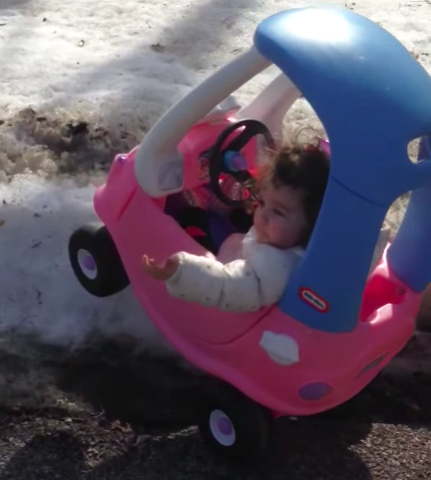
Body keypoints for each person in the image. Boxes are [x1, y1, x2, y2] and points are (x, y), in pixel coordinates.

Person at [141, 142, 330, 312]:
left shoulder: (274, 269)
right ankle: (222, 208)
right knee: (244, 215)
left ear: (312, 223)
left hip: (219, 272)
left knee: (192, 216)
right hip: (242, 247)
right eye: (263, 203)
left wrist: (180, 271)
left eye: (278, 212)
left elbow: (225, 287)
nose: (263, 214)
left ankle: (193, 216)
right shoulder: (286, 240)